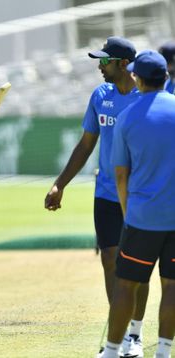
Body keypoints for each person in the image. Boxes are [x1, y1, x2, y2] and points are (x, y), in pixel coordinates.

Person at [44, 36, 147, 357]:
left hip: (140, 194)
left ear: (124, 64)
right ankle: (119, 331)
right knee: (109, 261)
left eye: (105, 61)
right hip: (105, 194)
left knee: (138, 267)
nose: (99, 66)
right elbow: (86, 144)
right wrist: (60, 184)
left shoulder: (147, 97)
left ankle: (135, 334)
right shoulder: (100, 95)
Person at [99, 50, 175, 358]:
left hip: (142, 218)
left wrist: (128, 214)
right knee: (171, 287)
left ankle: (113, 351)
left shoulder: (128, 117)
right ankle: (164, 352)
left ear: (137, 78)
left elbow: (120, 175)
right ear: (165, 78)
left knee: (126, 285)